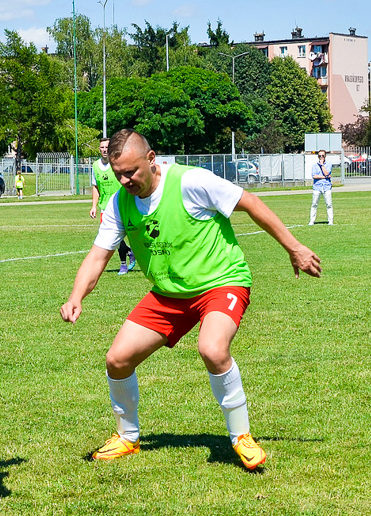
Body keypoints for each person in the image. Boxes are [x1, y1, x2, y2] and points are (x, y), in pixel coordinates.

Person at [61, 129, 322, 470]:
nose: (125, 180)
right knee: (118, 359)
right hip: (169, 294)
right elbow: (98, 257)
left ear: (152, 159)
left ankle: (240, 436)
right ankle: (127, 436)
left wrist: (295, 247)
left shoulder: (190, 181)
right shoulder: (119, 204)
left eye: (131, 171)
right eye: (118, 174)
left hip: (221, 282)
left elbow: (251, 203)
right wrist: (76, 295)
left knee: (213, 349)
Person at [90, 137, 135, 275]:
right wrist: (94, 206)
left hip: (121, 204)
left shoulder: (117, 164)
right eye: (102, 147)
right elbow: (95, 187)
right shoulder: (96, 166)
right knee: (113, 237)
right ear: (99, 149)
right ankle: (124, 261)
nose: (104, 150)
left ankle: (129, 254)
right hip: (105, 207)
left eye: (107, 147)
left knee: (124, 235)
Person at [309, 150, 333, 225]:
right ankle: (312, 221)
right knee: (314, 204)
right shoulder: (314, 166)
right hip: (317, 187)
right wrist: (324, 177)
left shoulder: (328, 164)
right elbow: (314, 176)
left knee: (329, 204)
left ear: (325, 156)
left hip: (326, 186)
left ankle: (330, 221)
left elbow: (327, 173)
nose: (321, 157)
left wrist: (322, 165)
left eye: (323, 155)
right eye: (320, 156)